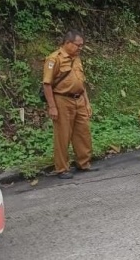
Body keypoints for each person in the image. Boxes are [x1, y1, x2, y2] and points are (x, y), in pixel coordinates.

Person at [42, 30, 97, 179]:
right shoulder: (54, 59)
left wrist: (87, 102)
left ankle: (83, 163)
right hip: (62, 100)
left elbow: (81, 82)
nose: (80, 48)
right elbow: (47, 85)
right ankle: (62, 168)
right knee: (63, 135)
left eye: (82, 46)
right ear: (67, 43)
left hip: (79, 99)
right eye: (77, 45)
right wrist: (52, 106)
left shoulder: (77, 59)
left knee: (83, 132)